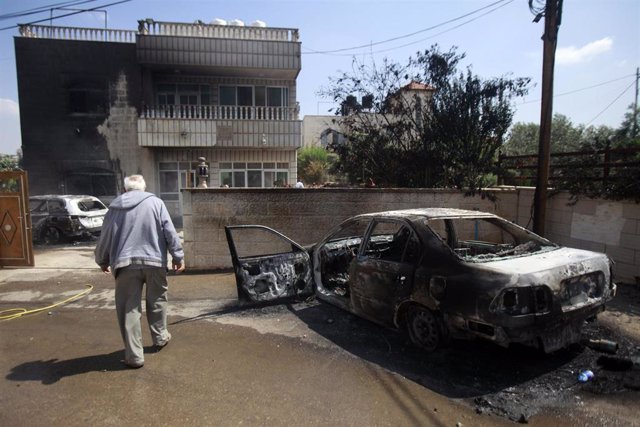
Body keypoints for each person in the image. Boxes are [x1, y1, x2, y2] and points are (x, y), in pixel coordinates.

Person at [95, 174, 185, 369]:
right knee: (158, 300)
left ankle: (135, 356)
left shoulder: (114, 207)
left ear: (125, 189)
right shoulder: (155, 203)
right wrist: (178, 257)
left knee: (129, 309)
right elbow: (169, 231)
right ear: (143, 188)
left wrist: (102, 259)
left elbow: (105, 237)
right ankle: (160, 337)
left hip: (125, 264)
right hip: (155, 262)